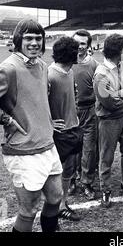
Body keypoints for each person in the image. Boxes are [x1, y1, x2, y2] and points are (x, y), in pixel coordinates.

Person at [0, 19, 63, 232]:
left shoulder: (42, 65)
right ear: (18, 40)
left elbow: (36, 101)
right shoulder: (8, 69)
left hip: (47, 145)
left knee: (56, 198)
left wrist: (47, 121)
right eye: (28, 38)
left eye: (38, 38)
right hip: (23, 150)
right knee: (29, 209)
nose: (35, 42)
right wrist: (5, 118)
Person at [93, 33, 123, 208]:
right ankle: (105, 189)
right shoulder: (100, 74)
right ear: (116, 51)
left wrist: (121, 94)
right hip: (109, 120)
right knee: (106, 156)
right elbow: (109, 104)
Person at [48, 37, 82, 221]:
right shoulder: (50, 75)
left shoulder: (69, 72)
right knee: (55, 172)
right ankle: (55, 207)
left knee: (69, 170)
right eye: (76, 51)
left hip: (73, 128)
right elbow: (39, 104)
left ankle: (62, 203)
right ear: (71, 54)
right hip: (58, 133)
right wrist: (49, 123)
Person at [70, 29, 99, 200]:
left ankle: (87, 182)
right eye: (76, 43)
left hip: (89, 110)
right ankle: (72, 179)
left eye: (83, 43)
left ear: (88, 45)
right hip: (71, 110)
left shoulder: (94, 65)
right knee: (72, 147)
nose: (79, 46)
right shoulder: (65, 62)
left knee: (89, 149)